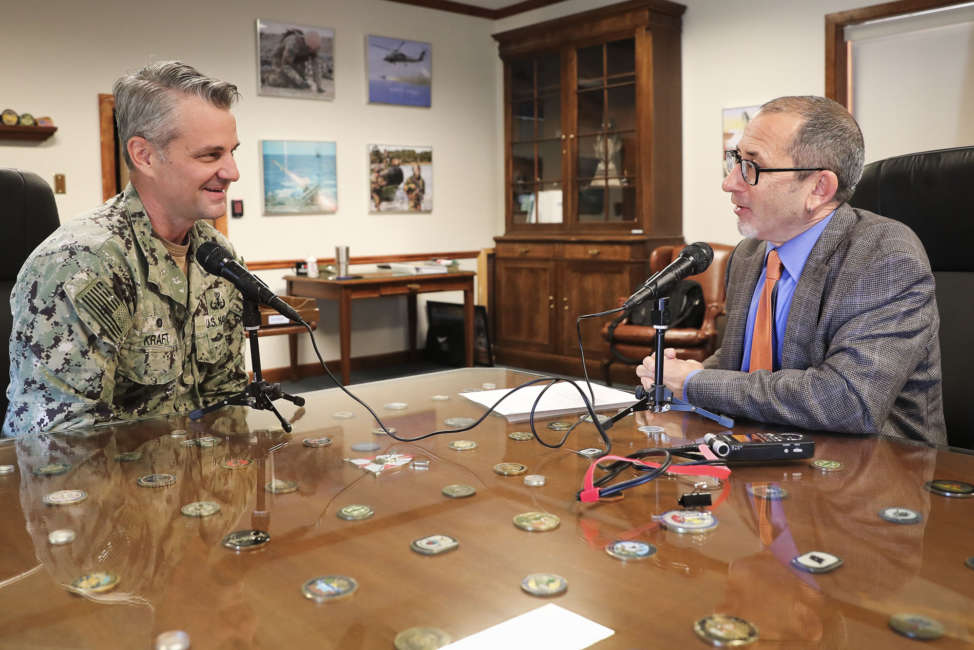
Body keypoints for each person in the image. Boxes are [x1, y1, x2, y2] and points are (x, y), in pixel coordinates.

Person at [637, 96, 945, 445]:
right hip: (768, 452)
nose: (730, 183)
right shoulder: (750, 254)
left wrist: (695, 383)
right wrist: (676, 377)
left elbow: (846, 400)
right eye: (735, 161)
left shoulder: (884, 256)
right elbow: (742, 361)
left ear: (818, 188)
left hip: (875, 468)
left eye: (752, 167)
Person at [3, 61, 248, 437]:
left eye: (232, 152)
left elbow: (227, 400)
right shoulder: (81, 263)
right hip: (113, 489)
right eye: (210, 155)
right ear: (144, 155)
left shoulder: (217, 255)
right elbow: (59, 443)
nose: (232, 171)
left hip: (197, 483)